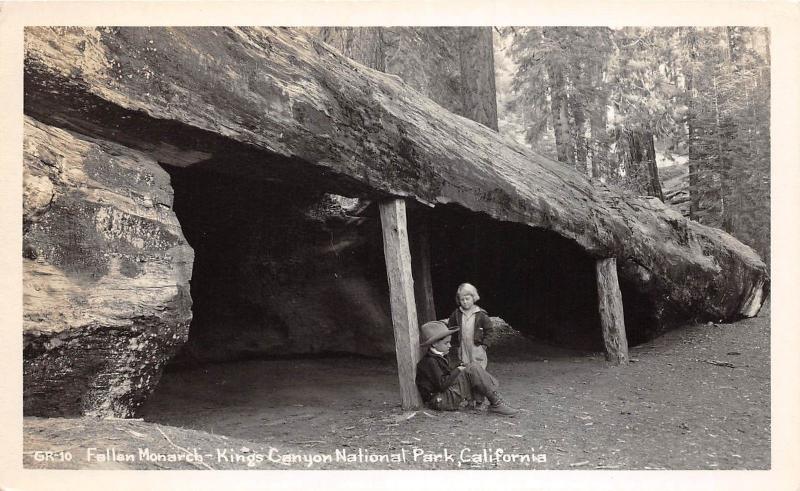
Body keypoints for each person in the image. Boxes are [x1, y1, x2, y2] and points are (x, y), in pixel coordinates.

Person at [415, 320, 519, 416]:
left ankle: (486, 402)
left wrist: (460, 368)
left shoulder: (439, 356)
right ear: (434, 344)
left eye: (449, 342)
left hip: (443, 397)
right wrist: (458, 370)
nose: (450, 346)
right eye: (446, 343)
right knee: (472, 368)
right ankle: (495, 402)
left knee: (470, 367)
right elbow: (442, 384)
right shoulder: (430, 361)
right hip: (439, 401)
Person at [447, 283, 493, 370]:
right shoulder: (456, 314)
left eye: (467, 299)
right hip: (463, 347)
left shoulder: (480, 314)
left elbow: (489, 330)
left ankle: (478, 382)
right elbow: (450, 329)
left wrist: (485, 345)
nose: (465, 302)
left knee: (478, 367)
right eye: (462, 300)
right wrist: (454, 345)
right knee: (465, 367)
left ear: (473, 298)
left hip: (476, 347)